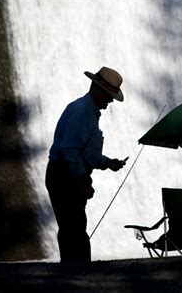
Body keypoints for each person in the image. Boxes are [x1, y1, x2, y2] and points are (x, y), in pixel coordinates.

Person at [46, 66, 127, 263]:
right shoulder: (83, 111)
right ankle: (77, 274)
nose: (110, 101)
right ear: (96, 89)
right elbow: (71, 151)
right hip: (65, 176)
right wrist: (83, 181)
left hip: (66, 174)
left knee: (73, 227)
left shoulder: (87, 110)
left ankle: (73, 272)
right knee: (73, 228)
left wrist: (108, 163)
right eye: (108, 96)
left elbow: (85, 151)